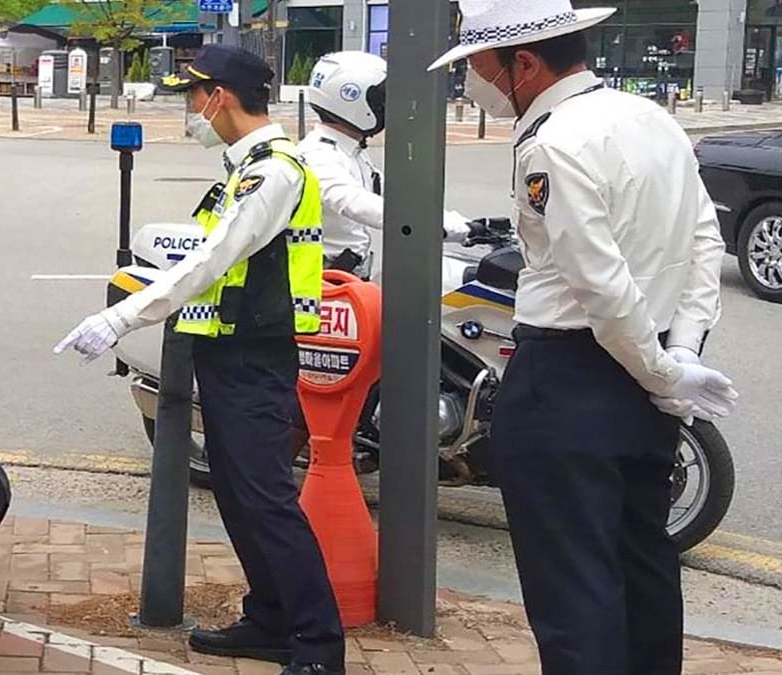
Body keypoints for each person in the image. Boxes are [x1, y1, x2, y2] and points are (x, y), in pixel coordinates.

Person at [427, 2, 738, 674]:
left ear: (525, 63)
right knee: (645, 568)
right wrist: (679, 352)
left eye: (478, 68)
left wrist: (663, 367)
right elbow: (702, 242)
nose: (473, 84)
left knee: (575, 593)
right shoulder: (654, 120)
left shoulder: (554, 144)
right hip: (644, 382)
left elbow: (600, 285)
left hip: (568, 380)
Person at [55, 44, 345, 675]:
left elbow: (211, 262)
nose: (189, 108)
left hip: (255, 358)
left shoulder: (275, 172)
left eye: (193, 95)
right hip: (227, 352)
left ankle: (319, 645)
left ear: (219, 96)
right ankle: (269, 621)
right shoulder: (245, 167)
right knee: (241, 498)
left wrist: (120, 317)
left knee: (265, 500)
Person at [299, 50, 476, 279]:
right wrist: (457, 230)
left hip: (345, 278)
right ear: (352, 98)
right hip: (324, 284)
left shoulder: (350, 151)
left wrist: (464, 223)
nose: (388, 107)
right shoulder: (317, 155)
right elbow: (362, 205)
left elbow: (398, 199)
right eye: (381, 99)